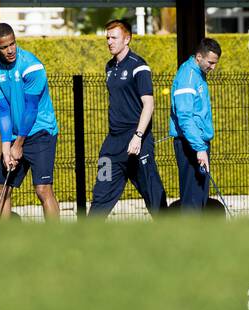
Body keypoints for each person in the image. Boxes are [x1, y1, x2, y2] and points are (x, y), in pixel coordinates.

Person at [88, 20, 166, 218]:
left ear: (127, 39)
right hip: (113, 145)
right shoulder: (109, 67)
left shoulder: (139, 67)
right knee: (100, 194)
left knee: (153, 194)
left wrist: (138, 136)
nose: (109, 42)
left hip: (137, 141)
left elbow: (149, 104)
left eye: (114, 37)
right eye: (107, 37)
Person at [0, 23, 60, 221]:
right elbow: (3, 111)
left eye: (12, 44)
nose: (10, 50)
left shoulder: (32, 66)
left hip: (40, 132)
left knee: (42, 189)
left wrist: (17, 145)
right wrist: (5, 148)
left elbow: (31, 109)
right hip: (15, 136)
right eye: (4, 47)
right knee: (1, 188)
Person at [168, 38, 220, 212]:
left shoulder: (198, 74)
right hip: (190, 145)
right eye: (211, 62)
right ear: (199, 57)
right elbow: (185, 117)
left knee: (200, 198)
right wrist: (199, 148)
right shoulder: (188, 76)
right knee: (192, 201)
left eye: (215, 63)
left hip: (198, 143)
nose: (213, 67)